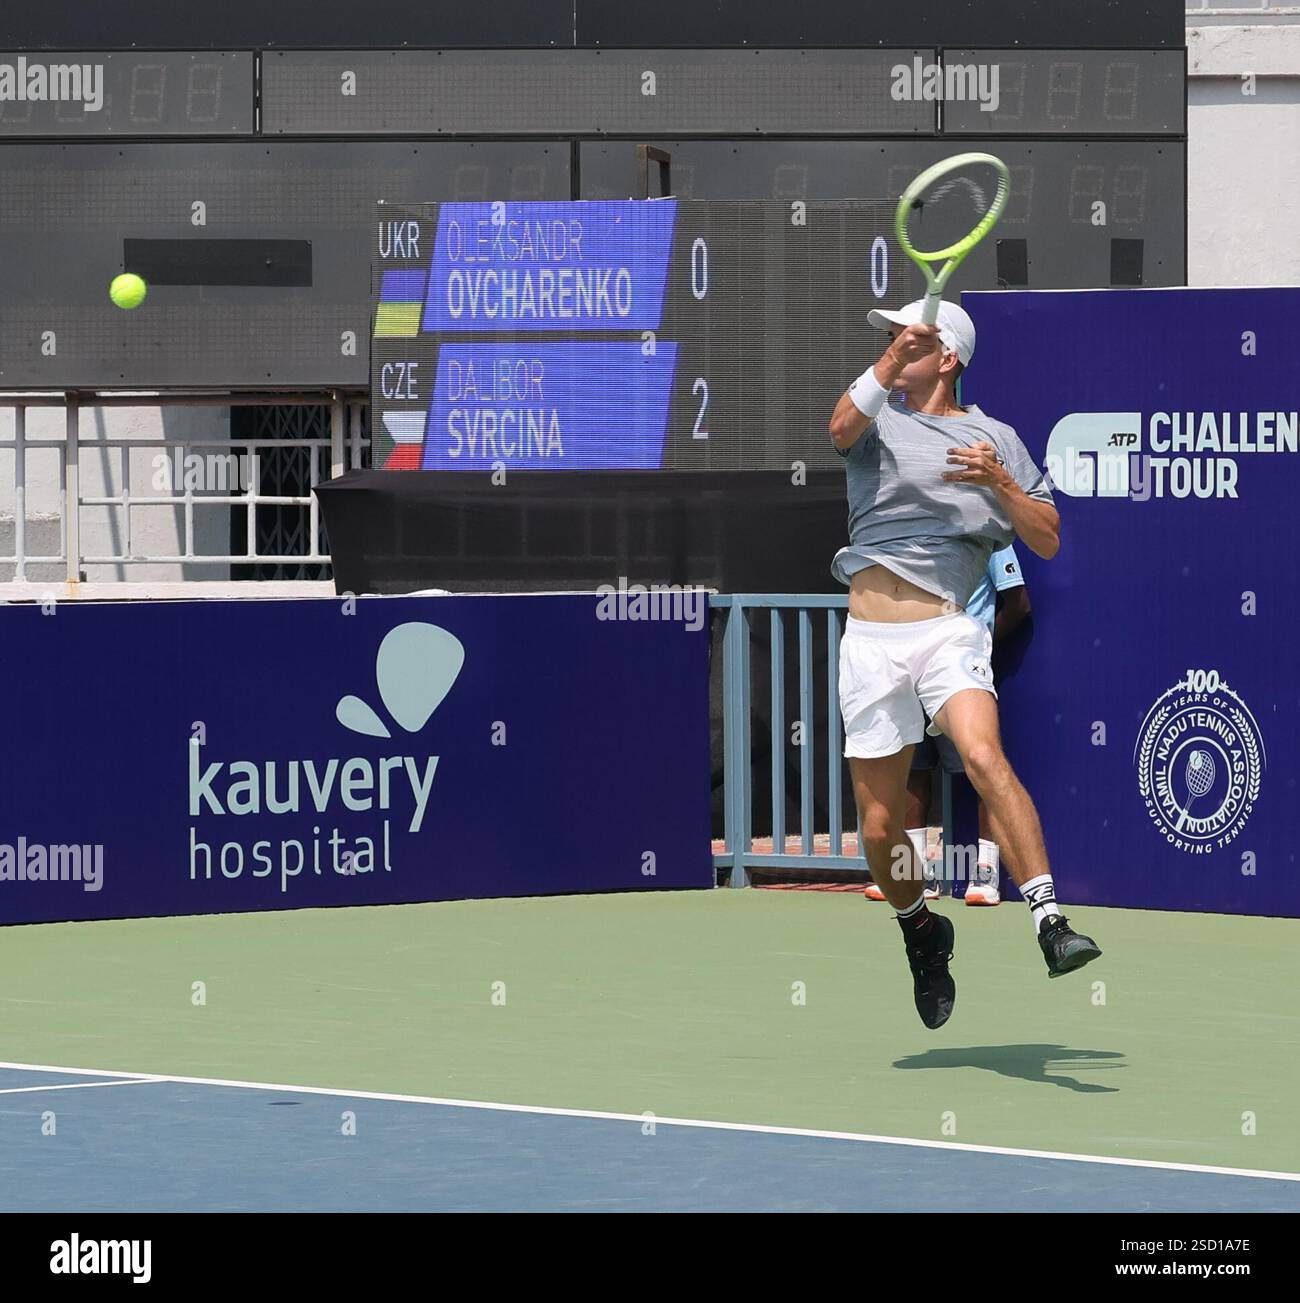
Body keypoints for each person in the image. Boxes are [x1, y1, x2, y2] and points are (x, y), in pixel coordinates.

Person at [828, 298, 1101, 1030]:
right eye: (890, 339)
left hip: (949, 630)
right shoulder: (877, 416)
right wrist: (887, 360)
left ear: (947, 356)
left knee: (984, 756)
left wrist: (1000, 484)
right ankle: (921, 928)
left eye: (909, 339)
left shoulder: (997, 439)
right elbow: (838, 427)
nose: (895, 345)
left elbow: (1047, 538)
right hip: (870, 638)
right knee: (879, 827)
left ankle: (1049, 921)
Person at [862, 543, 1030, 906]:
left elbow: (1018, 604)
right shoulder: (915, 537)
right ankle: (916, 875)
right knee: (914, 767)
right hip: (912, 668)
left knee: (980, 768)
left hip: (963, 672)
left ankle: (985, 875)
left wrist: (977, 644)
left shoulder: (990, 538)